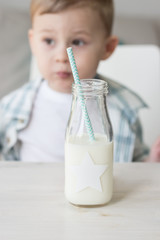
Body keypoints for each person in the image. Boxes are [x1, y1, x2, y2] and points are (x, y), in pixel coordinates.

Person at [0, 0, 159, 162]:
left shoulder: (125, 109)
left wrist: (152, 160)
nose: (62, 56)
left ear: (107, 48)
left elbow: (136, 161)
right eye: (49, 41)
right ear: (33, 42)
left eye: (78, 42)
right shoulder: (12, 107)